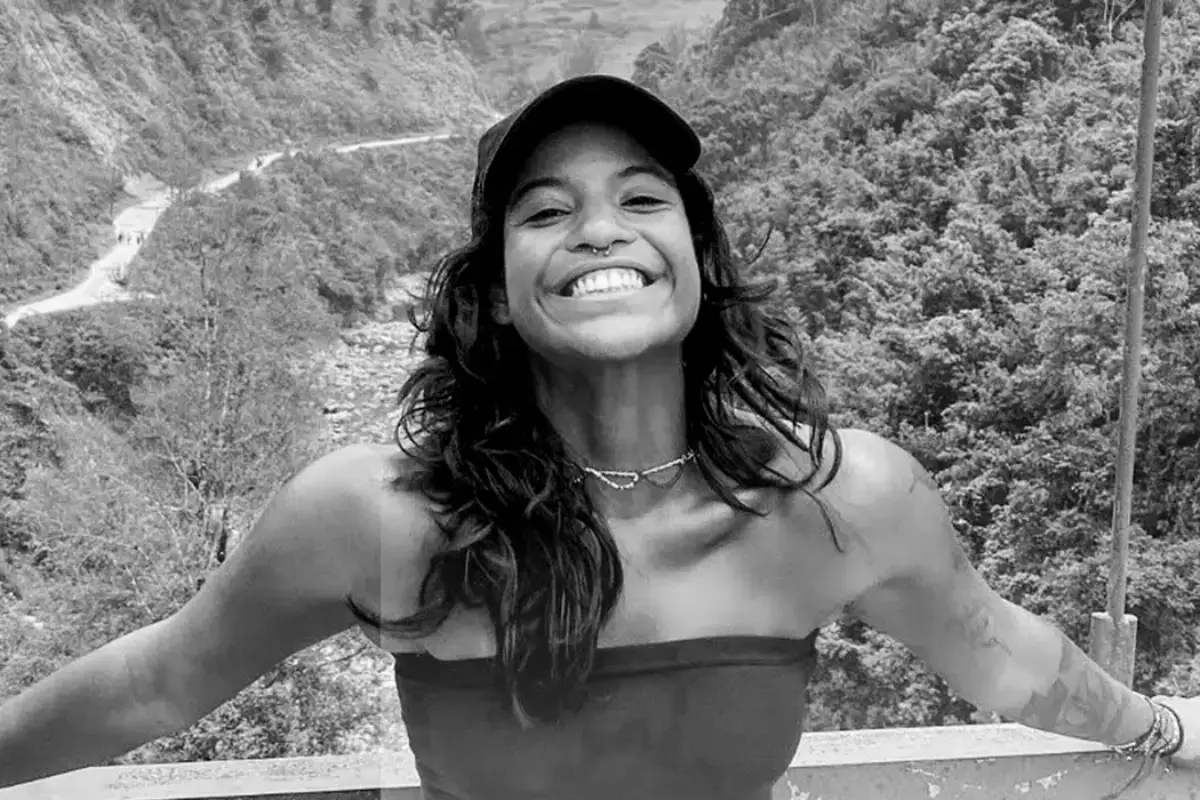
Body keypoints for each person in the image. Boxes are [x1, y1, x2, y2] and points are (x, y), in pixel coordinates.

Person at [0, 75, 1195, 799]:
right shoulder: (383, 517)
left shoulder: (837, 497)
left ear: (696, 257)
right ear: (494, 288)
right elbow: (158, 680)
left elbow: (998, 650)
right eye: (546, 209)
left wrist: (1166, 730)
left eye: (641, 197)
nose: (599, 229)